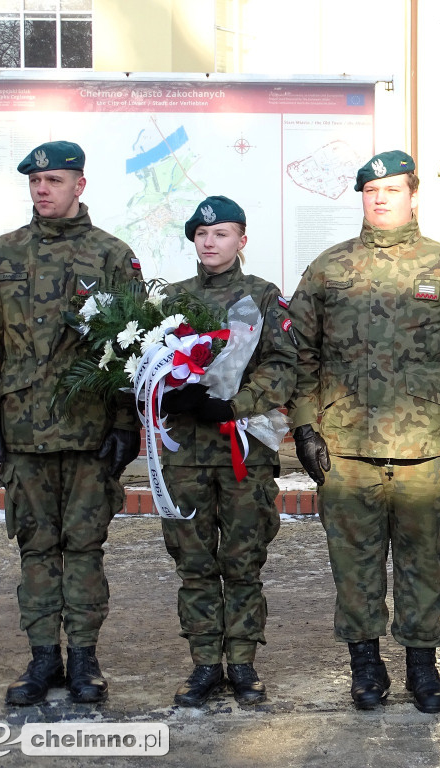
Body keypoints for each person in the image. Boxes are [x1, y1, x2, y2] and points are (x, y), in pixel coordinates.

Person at [287, 151, 440, 713]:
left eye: (391, 189)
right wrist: (305, 427)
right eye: (370, 190)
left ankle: (422, 667)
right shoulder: (328, 270)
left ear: (413, 194)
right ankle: (366, 666)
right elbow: (300, 353)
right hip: (345, 450)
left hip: (426, 451)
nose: (380, 198)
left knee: (421, 563)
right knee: (353, 567)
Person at [0, 140, 143, 705]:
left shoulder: (112, 256)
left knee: (86, 546)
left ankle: (86, 660)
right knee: (35, 548)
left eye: (55, 180)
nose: (43, 189)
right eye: (36, 182)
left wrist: (125, 422)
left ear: (80, 186)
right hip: (22, 431)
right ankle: (43, 658)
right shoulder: (2, 254)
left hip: (89, 431)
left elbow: (133, 351)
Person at [157, 195, 296, 708]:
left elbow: (282, 365)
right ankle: (203, 664)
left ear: (241, 240)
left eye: (221, 234)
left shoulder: (262, 297)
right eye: (201, 235)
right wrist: (168, 391)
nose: (210, 242)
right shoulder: (171, 299)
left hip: (242, 447)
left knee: (242, 560)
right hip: (185, 452)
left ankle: (242, 663)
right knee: (193, 563)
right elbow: (147, 364)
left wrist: (234, 403)